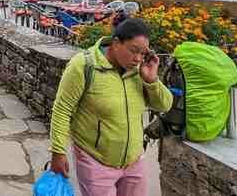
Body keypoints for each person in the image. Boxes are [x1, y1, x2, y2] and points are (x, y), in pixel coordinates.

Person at [48, 13, 172, 196]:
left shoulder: (140, 72)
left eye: (143, 53)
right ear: (115, 42)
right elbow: (62, 109)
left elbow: (165, 105)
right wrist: (58, 151)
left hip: (134, 160)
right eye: (133, 50)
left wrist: (152, 81)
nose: (138, 58)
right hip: (95, 160)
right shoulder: (84, 65)